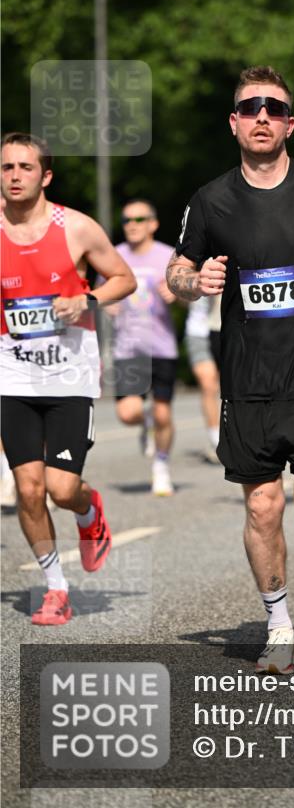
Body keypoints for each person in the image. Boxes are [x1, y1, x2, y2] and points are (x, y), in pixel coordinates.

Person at [166, 66, 294, 672]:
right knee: (262, 508)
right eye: (250, 107)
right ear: (233, 122)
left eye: (274, 108)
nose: (262, 116)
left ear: (290, 123)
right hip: (247, 382)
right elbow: (175, 271)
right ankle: (278, 625)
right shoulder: (211, 200)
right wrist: (192, 282)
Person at [0, 132, 136, 624]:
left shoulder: (76, 229)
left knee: (61, 489)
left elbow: (125, 278)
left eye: (25, 167)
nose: (15, 176)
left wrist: (87, 299)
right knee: (28, 490)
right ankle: (55, 588)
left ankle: (88, 509)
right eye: (7, 167)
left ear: (46, 176)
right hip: (13, 376)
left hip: (69, 378)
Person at [109, 201, 179, 496]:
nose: (132, 224)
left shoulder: (167, 255)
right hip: (128, 348)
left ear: (153, 223)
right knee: (128, 413)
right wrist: (107, 303)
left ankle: (161, 467)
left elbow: (190, 292)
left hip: (161, 346)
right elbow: (104, 290)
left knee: (164, 414)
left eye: (140, 218)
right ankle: (146, 423)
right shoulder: (114, 256)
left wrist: (178, 293)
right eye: (126, 219)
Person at [185, 293, 222, 463]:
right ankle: (216, 441)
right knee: (208, 383)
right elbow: (181, 296)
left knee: (232, 386)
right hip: (198, 331)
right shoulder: (190, 265)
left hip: (225, 328)